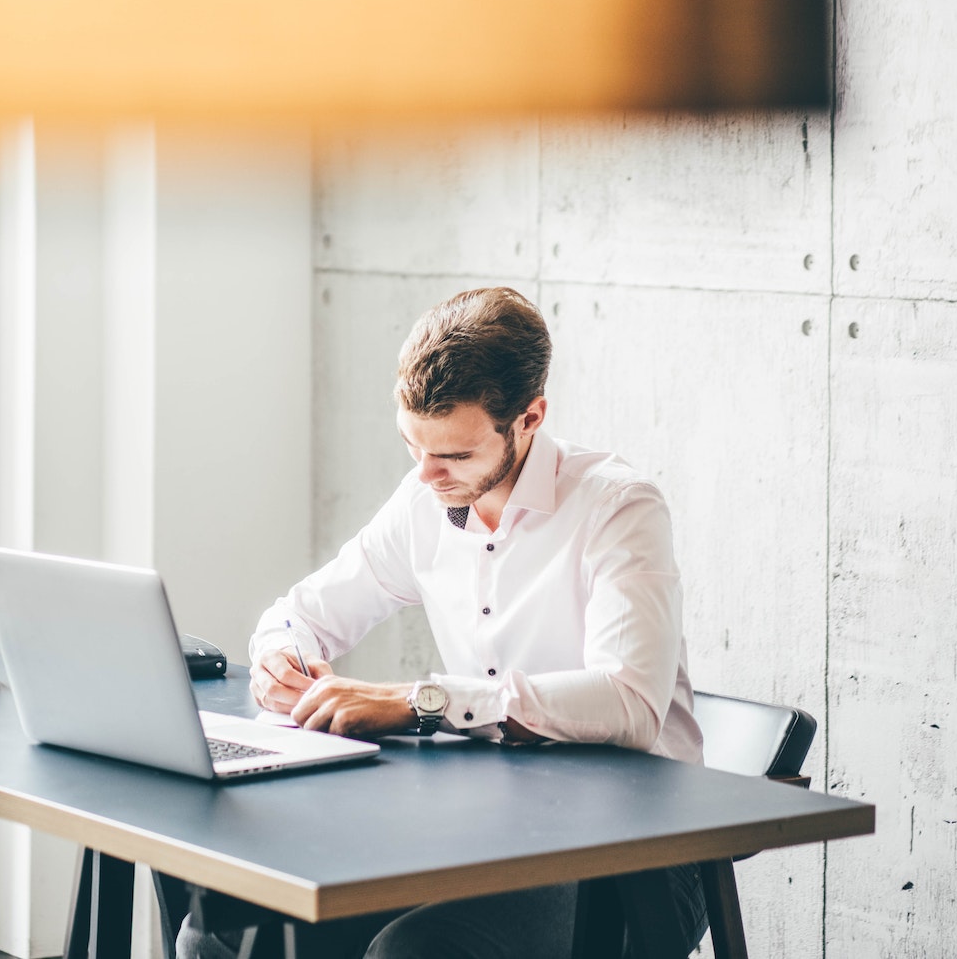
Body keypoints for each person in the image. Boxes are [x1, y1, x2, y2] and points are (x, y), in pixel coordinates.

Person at [175, 287, 707, 959]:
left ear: (530, 417)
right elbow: (301, 612)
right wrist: (284, 652)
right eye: (412, 446)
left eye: (452, 456)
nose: (426, 475)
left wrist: (419, 702)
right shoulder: (425, 498)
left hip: (633, 857)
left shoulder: (617, 508)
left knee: (410, 953)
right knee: (218, 928)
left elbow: (629, 703)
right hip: (479, 828)